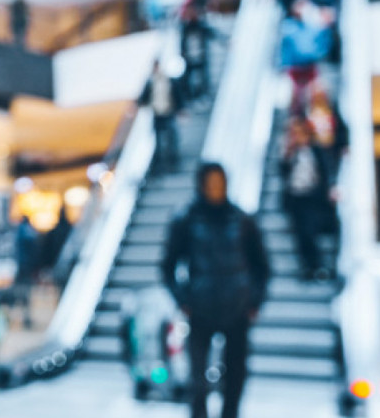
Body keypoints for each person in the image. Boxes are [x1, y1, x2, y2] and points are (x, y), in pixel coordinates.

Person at [161, 163, 270, 418]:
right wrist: (183, 299)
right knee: (198, 381)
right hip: (200, 309)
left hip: (237, 308)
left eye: (219, 183)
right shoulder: (186, 219)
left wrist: (255, 301)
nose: (215, 189)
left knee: (235, 377)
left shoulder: (242, 220)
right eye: (210, 183)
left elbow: (261, 266)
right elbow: (168, 266)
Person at [281, 117, 334, 281]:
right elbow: (284, 173)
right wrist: (287, 154)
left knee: (310, 232)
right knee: (300, 235)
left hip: (311, 198)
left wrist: (328, 190)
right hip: (295, 199)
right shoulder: (293, 152)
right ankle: (307, 268)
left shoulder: (316, 150)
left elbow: (325, 172)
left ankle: (317, 266)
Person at [279, 0, 333, 114]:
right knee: (297, 92)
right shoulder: (288, 27)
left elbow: (322, 42)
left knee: (313, 90)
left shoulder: (312, 27)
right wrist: (284, 64)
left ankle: (312, 112)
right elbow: (285, 48)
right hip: (295, 66)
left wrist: (319, 54)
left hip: (309, 64)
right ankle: (297, 113)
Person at [139, 59, 185, 173]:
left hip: (169, 113)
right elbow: (143, 98)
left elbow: (177, 94)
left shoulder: (168, 80)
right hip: (157, 115)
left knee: (172, 139)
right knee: (159, 142)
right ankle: (160, 165)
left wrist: (181, 109)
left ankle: (173, 163)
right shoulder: (150, 83)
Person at [180, 0, 218, 102]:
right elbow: (182, 42)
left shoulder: (199, 26)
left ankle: (204, 94)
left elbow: (211, 33)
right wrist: (183, 54)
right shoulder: (186, 28)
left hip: (200, 56)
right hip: (190, 57)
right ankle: (192, 96)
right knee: (188, 78)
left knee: (203, 76)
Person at [14, 215, 39, 329]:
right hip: (26, 268)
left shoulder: (18, 233)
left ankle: (23, 317)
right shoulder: (29, 233)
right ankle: (26, 318)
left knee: (22, 294)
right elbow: (34, 252)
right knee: (26, 294)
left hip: (21, 268)